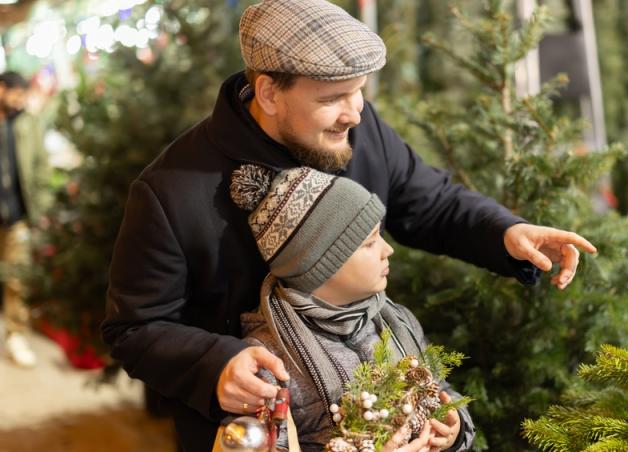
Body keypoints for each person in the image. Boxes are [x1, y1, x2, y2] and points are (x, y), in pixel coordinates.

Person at [101, 0, 596, 450]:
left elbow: (431, 201)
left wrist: (505, 232)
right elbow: (135, 327)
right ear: (269, 92)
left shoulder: (359, 128)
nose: (355, 113)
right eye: (334, 97)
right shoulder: (170, 192)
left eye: (360, 92)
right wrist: (215, 366)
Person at [231, 164, 473, 451]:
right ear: (320, 265)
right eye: (369, 243)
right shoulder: (270, 360)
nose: (388, 249)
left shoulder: (398, 321)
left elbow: (441, 391)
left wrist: (454, 431)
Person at [0, 71, 51, 368]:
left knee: (17, 278)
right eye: (16, 94)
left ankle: (15, 335)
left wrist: (40, 210)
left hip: (17, 216)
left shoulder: (28, 124)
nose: (19, 101)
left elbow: (41, 167)